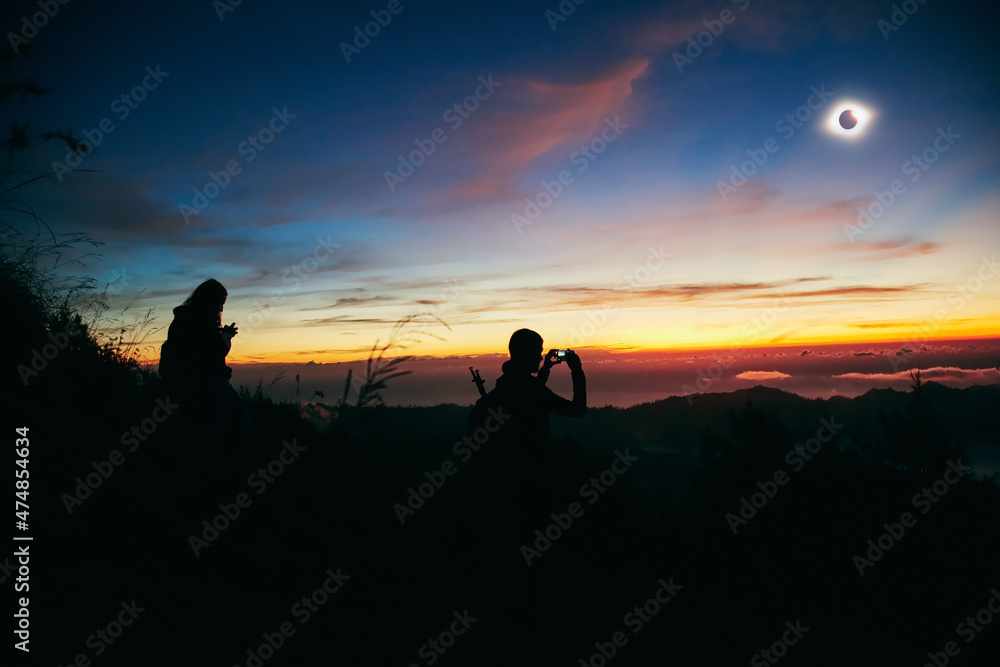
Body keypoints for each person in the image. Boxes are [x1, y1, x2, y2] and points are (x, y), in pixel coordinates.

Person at [465, 328, 586, 623]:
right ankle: (530, 616)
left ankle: (510, 612)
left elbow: (525, 397)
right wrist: (577, 372)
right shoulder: (529, 391)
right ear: (523, 353)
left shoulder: (500, 392)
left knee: (511, 552)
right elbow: (577, 410)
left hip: (502, 488)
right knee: (535, 554)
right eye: (538, 351)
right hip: (533, 488)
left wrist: (543, 372)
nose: (542, 355)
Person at [159, 279, 251, 439]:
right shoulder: (204, 324)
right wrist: (227, 337)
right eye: (220, 303)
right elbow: (216, 352)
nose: (221, 308)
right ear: (210, 300)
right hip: (209, 387)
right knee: (243, 426)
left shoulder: (182, 320)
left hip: (181, 385)